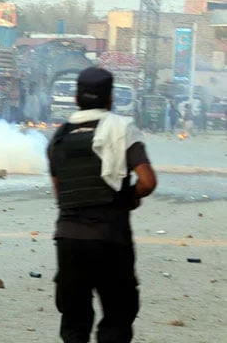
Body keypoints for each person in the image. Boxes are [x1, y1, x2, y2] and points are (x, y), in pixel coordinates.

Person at [47, 67, 157, 343]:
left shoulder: (58, 139)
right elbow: (147, 181)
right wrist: (128, 198)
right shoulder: (122, 130)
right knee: (117, 319)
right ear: (110, 99)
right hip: (111, 240)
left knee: (74, 324)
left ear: (75, 98)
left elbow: (61, 197)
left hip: (69, 240)